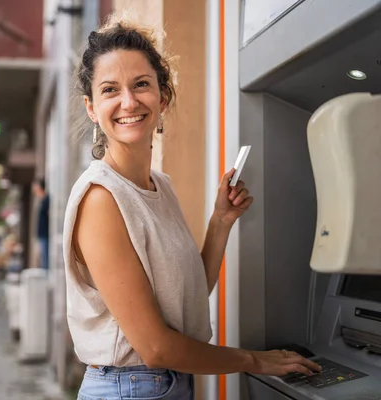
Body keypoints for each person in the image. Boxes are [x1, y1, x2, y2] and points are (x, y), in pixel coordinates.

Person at [63, 15, 322, 400]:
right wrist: (255, 361)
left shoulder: (159, 185)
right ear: (91, 107)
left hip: (165, 384)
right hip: (128, 387)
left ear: (162, 96)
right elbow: (155, 347)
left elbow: (184, 298)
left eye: (141, 85)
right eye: (110, 90)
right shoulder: (101, 198)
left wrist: (220, 222)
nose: (129, 102)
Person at [33, 177, 50, 270]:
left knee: (46, 259)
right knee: (43, 259)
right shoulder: (43, 201)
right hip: (42, 235)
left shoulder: (47, 200)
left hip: (46, 235)